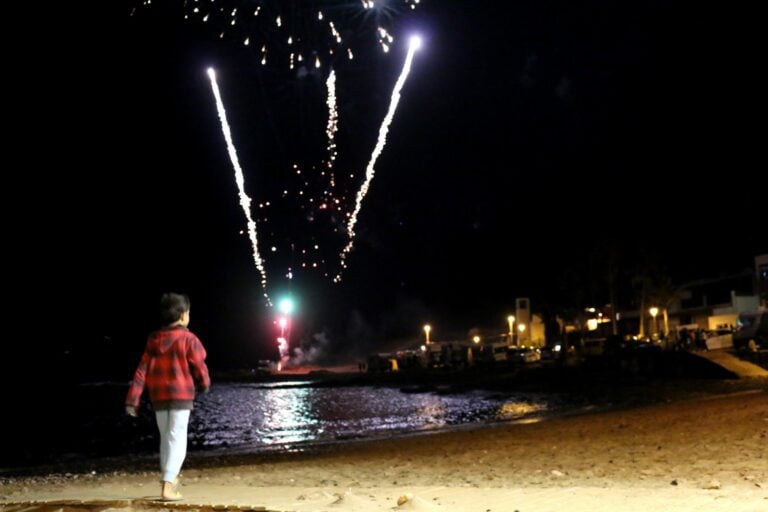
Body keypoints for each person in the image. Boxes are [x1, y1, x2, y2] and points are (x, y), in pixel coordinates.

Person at [125, 292, 210, 501]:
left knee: (166, 439)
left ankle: (169, 478)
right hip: (181, 396)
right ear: (183, 315)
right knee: (177, 439)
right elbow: (199, 364)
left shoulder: (153, 339)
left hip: (159, 397)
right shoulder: (189, 339)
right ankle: (167, 485)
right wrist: (204, 383)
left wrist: (133, 399)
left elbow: (142, 370)